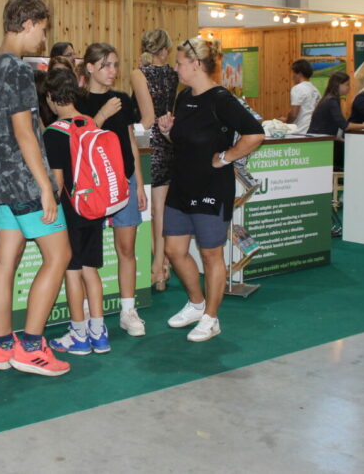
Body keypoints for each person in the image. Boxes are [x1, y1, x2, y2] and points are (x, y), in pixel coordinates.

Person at [0, 0, 71, 376]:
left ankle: (3, 347)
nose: (43, 38)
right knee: (59, 256)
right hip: (24, 180)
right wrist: (46, 187)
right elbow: (24, 132)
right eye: (43, 29)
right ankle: (31, 348)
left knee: (5, 262)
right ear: (28, 23)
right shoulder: (17, 70)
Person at [157, 38, 264, 342]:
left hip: (212, 188)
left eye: (180, 63)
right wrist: (168, 132)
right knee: (173, 251)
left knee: (210, 254)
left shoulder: (221, 99)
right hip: (181, 185)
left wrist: (226, 157)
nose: (176, 68)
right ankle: (196, 304)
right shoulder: (183, 97)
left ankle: (211, 318)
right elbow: (183, 141)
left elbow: (255, 134)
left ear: (196, 65)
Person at [76, 42, 148, 336]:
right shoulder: (77, 100)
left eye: (115, 65)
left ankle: (128, 310)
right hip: (91, 185)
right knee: (87, 252)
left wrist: (138, 183)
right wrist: (102, 115)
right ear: (89, 67)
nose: (112, 70)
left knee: (127, 248)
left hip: (124, 181)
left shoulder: (122, 99)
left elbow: (130, 141)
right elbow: (77, 141)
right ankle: (85, 310)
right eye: (105, 65)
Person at [43, 68, 111, 356]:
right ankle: (99, 333)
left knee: (72, 272)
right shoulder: (90, 123)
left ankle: (79, 335)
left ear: (50, 97)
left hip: (70, 212)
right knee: (90, 270)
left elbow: (57, 182)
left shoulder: (53, 133)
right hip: (94, 208)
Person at [130, 28, 179, 290]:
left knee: (148, 210)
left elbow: (147, 119)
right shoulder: (173, 73)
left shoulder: (139, 74)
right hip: (168, 141)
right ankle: (160, 268)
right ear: (165, 50)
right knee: (160, 210)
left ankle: (158, 268)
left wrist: (129, 136)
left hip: (149, 144)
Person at [308, 71, 364, 170]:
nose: (349, 87)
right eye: (347, 84)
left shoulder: (330, 99)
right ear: (338, 84)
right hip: (320, 143)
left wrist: (338, 138)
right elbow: (344, 125)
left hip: (320, 140)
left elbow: (327, 126)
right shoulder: (332, 101)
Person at [284, 59, 320, 133]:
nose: (293, 76)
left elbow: (294, 114)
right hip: (313, 129)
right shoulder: (315, 90)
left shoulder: (298, 88)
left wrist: (286, 122)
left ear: (299, 73)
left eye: (294, 73)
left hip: (300, 130)